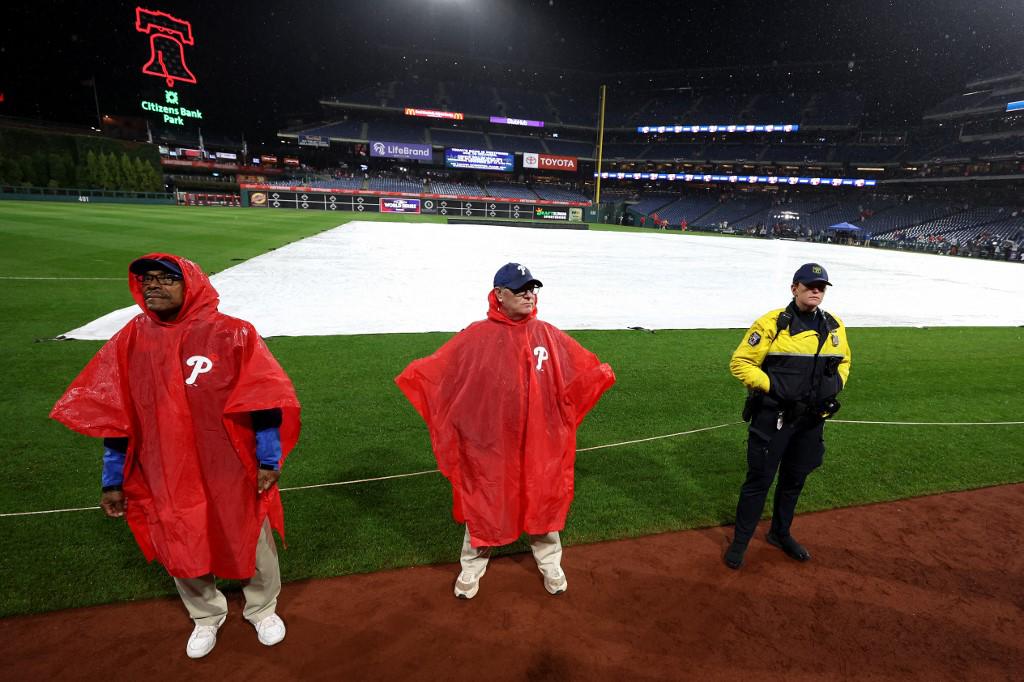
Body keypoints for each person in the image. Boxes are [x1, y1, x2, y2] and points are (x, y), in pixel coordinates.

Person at [51, 254, 301, 658]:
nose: (153, 286)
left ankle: (262, 608)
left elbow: (265, 402)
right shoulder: (130, 339)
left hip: (229, 464)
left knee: (250, 534)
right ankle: (206, 615)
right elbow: (115, 418)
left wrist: (268, 461)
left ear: (192, 284)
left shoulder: (234, 333)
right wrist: (112, 479)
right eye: (146, 279)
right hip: (164, 466)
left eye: (165, 279)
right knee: (179, 538)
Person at [396, 263, 615, 599]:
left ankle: (549, 561)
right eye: (521, 289)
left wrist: (596, 376)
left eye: (533, 288)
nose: (529, 294)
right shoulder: (476, 335)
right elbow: (447, 379)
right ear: (499, 294)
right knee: (485, 497)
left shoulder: (547, 334)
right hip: (492, 442)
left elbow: (578, 372)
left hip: (539, 440)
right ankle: (472, 564)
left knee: (541, 495)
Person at [723, 263, 851, 570]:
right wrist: (778, 391)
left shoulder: (834, 325)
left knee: (794, 480)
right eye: (810, 286)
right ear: (794, 288)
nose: (816, 291)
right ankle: (740, 542)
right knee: (759, 480)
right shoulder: (772, 323)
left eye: (821, 287)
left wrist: (833, 389)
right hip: (774, 419)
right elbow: (740, 363)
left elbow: (844, 362)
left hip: (810, 421)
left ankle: (780, 534)